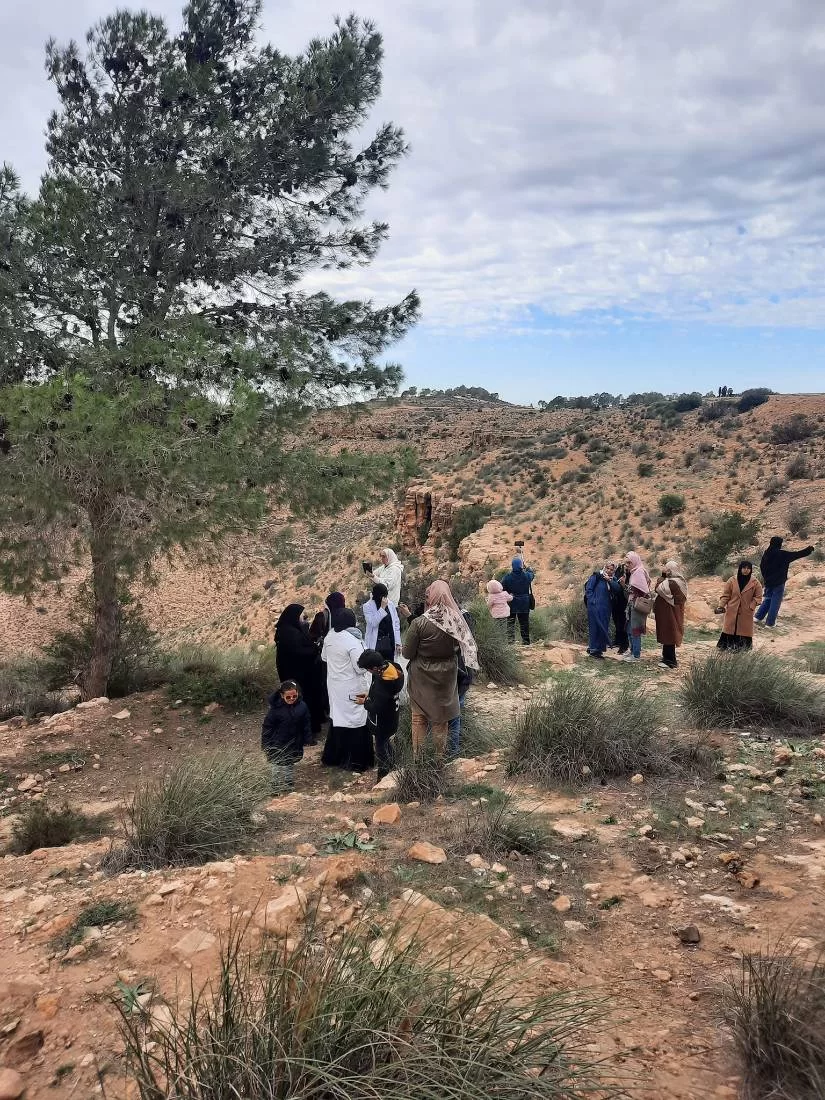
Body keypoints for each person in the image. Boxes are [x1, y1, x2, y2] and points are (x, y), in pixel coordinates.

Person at [402, 580, 479, 758]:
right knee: (441, 719)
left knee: (419, 718)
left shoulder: (419, 623)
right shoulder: (456, 620)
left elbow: (407, 653)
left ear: (431, 597)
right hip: (447, 675)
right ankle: (439, 759)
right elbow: (465, 646)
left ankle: (419, 760)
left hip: (421, 676)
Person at [320, 610, 374, 772]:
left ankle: (334, 757)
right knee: (356, 721)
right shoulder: (352, 640)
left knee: (338, 719)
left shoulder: (330, 636)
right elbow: (360, 666)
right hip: (352, 686)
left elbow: (324, 657)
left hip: (335, 686)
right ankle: (356, 761)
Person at [274, 604, 324, 740]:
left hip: (294, 673)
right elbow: (300, 653)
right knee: (302, 701)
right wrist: (315, 649)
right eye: (301, 615)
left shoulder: (287, 630)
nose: (303, 618)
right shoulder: (290, 633)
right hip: (298, 674)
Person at [356, 649, 405, 781]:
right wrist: (371, 695)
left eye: (368, 669)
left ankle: (383, 776)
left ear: (374, 668)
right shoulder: (392, 667)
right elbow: (383, 698)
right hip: (393, 717)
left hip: (382, 722)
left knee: (381, 748)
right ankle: (394, 766)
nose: (368, 672)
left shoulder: (383, 683)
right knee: (386, 743)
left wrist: (365, 702)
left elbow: (376, 707)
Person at [755, 536, 815, 627]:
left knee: (767, 599)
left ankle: (757, 617)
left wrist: (766, 577)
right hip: (778, 583)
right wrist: (809, 549)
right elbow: (797, 554)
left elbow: (761, 566)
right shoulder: (782, 554)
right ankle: (770, 623)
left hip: (768, 582)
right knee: (775, 602)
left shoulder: (766, 554)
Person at [261, 680, 310, 790]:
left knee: (289, 762)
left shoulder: (302, 706)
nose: (292, 699)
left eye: (294, 696)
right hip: (276, 742)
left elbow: (306, 723)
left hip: (294, 741)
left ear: (297, 693)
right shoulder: (275, 710)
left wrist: (307, 738)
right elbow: (267, 728)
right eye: (288, 697)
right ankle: (275, 784)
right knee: (276, 763)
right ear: (282, 695)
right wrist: (265, 744)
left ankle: (289, 782)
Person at [716, 561, 762, 651]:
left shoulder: (755, 583)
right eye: (744, 568)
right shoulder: (732, 580)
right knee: (729, 629)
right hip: (732, 610)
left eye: (748, 568)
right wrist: (721, 606)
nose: (746, 570)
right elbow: (726, 595)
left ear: (751, 570)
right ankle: (725, 647)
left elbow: (758, 597)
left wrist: (751, 606)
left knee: (744, 630)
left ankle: (741, 649)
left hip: (746, 612)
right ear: (740, 568)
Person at [653, 560, 687, 669]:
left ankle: (670, 661)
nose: (665, 571)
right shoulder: (679, 581)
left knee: (669, 634)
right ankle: (666, 657)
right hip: (670, 611)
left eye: (667, 569)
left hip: (669, 612)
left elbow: (658, 588)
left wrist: (663, 576)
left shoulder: (672, 582)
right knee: (668, 633)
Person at [584, 563, 618, 659]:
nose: (609, 571)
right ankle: (594, 650)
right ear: (604, 567)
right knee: (594, 627)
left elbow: (617, 589)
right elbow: (589, 589)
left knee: (603, 627)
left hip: (606, 608)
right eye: (607, 568)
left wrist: (609, 581)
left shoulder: (613, 579)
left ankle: (598, 649)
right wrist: (592, 601)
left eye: (611, 569)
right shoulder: (597, 576)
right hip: (594, 607)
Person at [622, 551, 651, 662]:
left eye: (629, 562)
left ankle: (636, 655)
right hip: (632, 605)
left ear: (634, 561)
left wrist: (624, 585)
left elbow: (643, 590)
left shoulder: (638, 572)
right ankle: (632, 651)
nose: (627, 565)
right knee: (629, 629)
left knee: (635, 630)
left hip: (637, 606)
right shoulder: (635, 572)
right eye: (626, 563)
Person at [361, 583, 402, 659]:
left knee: (391, 665)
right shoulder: (367, 606)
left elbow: (396, 624)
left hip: (390, 643)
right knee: (376, 664)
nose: (384, 599)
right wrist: (382, 608)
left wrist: (398, 643)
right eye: (382, 597)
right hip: (376, 645)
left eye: (385, 596)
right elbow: (373, 623)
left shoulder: (390, 604)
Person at [501, 557, 535, 644]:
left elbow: (502, 588)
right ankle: (526, 642)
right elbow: (532, 574)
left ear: (512, 566)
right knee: (524, 624)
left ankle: (510, 642)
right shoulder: (526, 576)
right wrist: (528, 568)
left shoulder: (507, 578)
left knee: (510, 624)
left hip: (511, 603)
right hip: (524, 603)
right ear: (521, 565)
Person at [611, 563, 630, 655]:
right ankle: (618, 640)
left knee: (622, 624)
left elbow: (627, 589)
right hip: (616, 602)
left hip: (624, 602)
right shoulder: (617, 574)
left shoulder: (630, 575)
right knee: (617, 622)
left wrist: (623, 584)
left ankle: (624, 645)